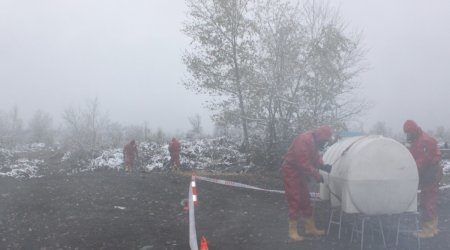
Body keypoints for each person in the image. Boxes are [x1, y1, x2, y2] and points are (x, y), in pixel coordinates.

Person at [281, 125, 333, 241]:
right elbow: (304, 163)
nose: (324, 143)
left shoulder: (314, 141)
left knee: (305, 199)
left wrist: (323, 165)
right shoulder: (303, 140)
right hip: (291, 170)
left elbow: (315, 157)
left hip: (300, 171)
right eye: (325, 140)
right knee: (295, 199)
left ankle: (310, 228)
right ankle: (292, 231)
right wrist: (317, 175)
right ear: (320, 136)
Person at [403, 120, 442, 238]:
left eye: (409, 133)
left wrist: (409, 170)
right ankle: (433, 227)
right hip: (428, 172)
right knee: (428, 199)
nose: (408, 136)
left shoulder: (424, 141)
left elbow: (421, 161)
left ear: (413, 131)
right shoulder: (418, 140)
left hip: (430, 173)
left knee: (428, 200)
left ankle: (429, 230)